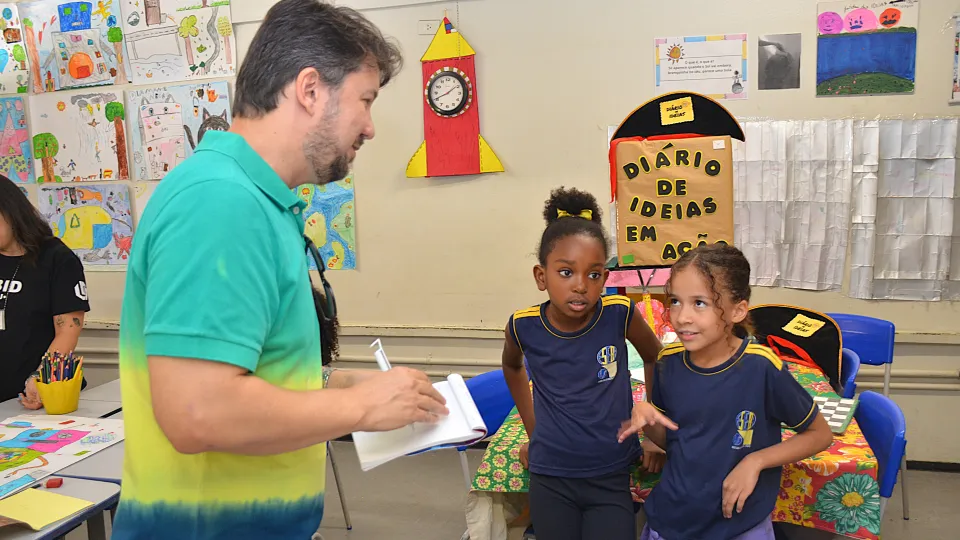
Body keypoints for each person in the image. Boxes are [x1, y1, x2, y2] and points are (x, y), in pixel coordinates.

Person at [111, 1, 448, 538]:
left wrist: (337, 383)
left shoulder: (255, 200)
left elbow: (247, 369)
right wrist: (359, 406)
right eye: (365, 100)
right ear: (310, 90)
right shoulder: (220, 203)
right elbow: (197, 411)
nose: (370, 127)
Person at [620, 244, 834, 540]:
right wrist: (648, 420)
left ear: (738, 310)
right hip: (673, 520)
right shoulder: (668, 362)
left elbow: (820, 435)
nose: (681, 317)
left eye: (700, 303)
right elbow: (678, 441)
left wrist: (755, 461)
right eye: (676, 301)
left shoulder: (761, 368)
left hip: (738, 526)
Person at [501, 187, 665, 540]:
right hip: (551, 476)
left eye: (593, 275)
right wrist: (534, 432)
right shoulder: (524, 326)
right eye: (566, 272)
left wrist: (653, 432)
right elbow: (512, 367)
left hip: (611, 473)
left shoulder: (619, 313)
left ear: (605, 278)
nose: (580, 286)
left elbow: (655, 356)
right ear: (541, 276)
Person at [0, 177, 89, 405]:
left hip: (35, 394)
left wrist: (42, 378)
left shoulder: (57, 259)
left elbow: (67, 331)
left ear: (11, 212)